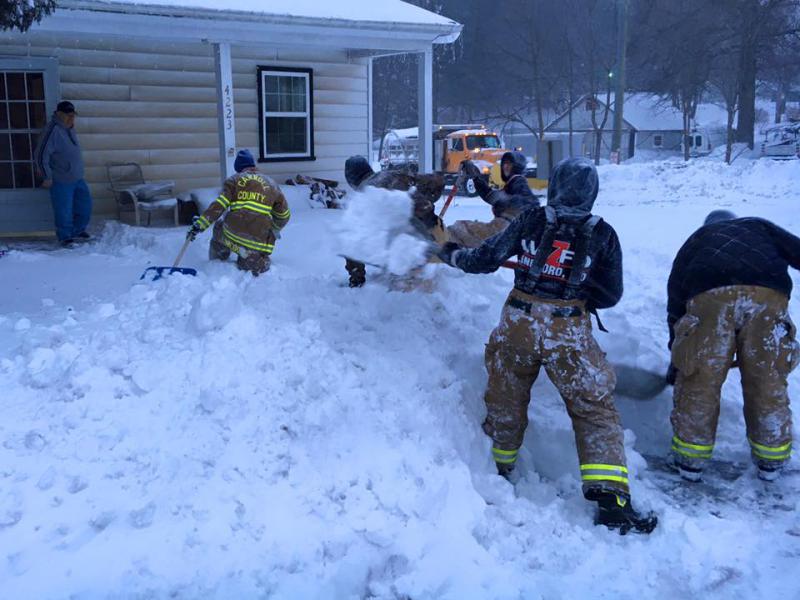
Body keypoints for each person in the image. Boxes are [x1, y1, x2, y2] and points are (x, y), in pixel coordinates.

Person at [438, 157, 657, 535]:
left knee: (506, 394)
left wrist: (451, 254)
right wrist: (578, 293)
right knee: (592, 407)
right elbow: (611, 293)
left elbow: (486, 258)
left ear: (553, 186)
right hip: (568, 329)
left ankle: (497, 470)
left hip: (519, 321)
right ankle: (611, 500)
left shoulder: (531, 220)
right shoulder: (604, 234)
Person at [666, 209, 800, 482]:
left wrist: (679, 358)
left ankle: (690, 461)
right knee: (767, 379)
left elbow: (676, 302)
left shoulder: (698, 238)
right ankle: (771, 460)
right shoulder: (760, 225)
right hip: (766, 298)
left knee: (700, 380)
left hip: (710, 297)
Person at [343, 156, 445, 287]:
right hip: (434, 234)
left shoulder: (361, 201)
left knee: (408, 293)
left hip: (407, 249)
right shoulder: (391, 175)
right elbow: (431, 183)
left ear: (352, 181)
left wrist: (356, 279)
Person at [187, 149, 290, 276]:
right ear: (253, 166)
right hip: (257, 239)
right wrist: (273, 230)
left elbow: (219, 205)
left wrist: (200, 224)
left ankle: (217, 263)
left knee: (219, 226)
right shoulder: (272, 185)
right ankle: (254, 259)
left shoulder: (234, 180)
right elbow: (284, 215)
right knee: (251, 266)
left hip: (231, 234)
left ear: (238, 168)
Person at [447, 151, 540, 248]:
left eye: (510, 164)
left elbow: (532, 202)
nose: (506, 166)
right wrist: (476, 177)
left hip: (506, 230)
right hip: (504, 230)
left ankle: (442, 250)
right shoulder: (511, 184)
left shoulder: (518, 181)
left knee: (460, 228)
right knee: (462, 230)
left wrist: (509, 201)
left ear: (517, 166)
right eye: (504, 163)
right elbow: (490, 196)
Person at [33, 101, 92, 247]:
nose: (71, 118)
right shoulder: (52, 130)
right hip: (61, 179)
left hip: (78, 178)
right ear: (59, 114)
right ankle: (65, 237)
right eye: (68, 115)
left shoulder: (69, 128)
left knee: (85, 206)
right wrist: (46, 177)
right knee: (64, 211)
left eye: (73, 116)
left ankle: (78, 231)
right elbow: (40, 155)